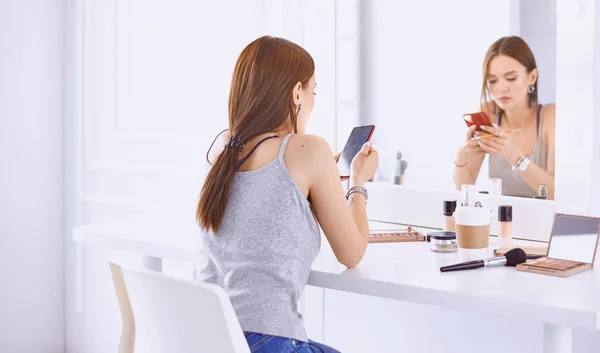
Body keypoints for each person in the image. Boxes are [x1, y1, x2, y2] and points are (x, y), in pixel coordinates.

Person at [195, 35, 379, 353]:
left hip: (209, 337)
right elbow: (352, 254)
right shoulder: (309, 150)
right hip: (264, 343)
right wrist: (358, 183)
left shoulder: (222, 146)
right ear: (297, 93)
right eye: (313, 91)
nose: (312, 101)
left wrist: (321, 177)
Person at [453, 36, 556, 199]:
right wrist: (461, 157)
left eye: (511, 78)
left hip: (543, 222)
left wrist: (515, 157)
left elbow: (553, 192)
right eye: (492, 80)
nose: (501, 87)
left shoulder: (550, 117)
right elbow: (465, 187)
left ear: (532, 77)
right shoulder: (489, 112)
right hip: (502, 220)